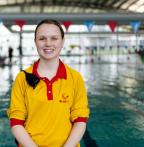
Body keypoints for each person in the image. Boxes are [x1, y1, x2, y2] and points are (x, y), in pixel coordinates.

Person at [7, 19, 90, 147]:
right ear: (35, 42)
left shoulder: (75, 78)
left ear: (62, 41)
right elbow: (16, 122)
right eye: (42, 38)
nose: (48, 43)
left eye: (54, 38)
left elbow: (80, 120)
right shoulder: (21, 79)